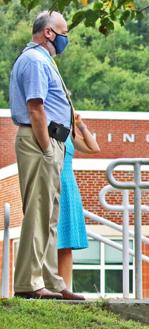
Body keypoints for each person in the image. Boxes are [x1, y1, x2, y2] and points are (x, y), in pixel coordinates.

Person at [9, 11, 83, 300]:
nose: (66, 39)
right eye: (64, 33)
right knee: (38, 213)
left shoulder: (44, 60)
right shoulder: (34, 61)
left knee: (50, 216)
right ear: (48, 32)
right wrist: (46, 148)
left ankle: (51, 281)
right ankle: (28, 283)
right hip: (40, 141)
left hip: (52, 141)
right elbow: (36, 108)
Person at [58, 112, 100, 288]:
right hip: (53, 182)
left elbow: (94, 148)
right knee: (51, 240)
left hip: (68, 186)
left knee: (66, 242)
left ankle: (65, 288)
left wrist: (80, 125)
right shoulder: (50, 129)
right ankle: (49, 285)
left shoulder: (68, 132)